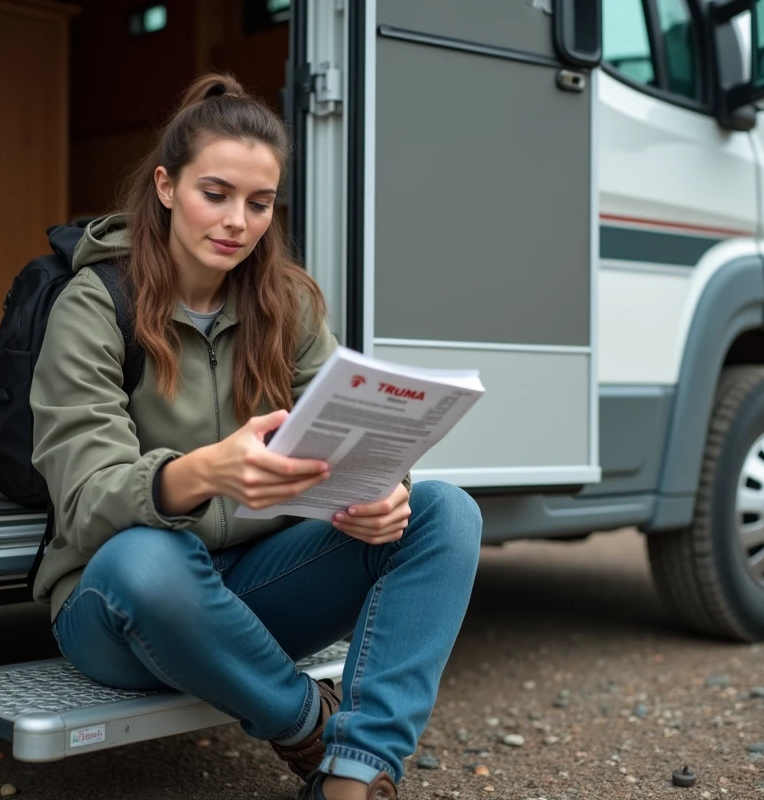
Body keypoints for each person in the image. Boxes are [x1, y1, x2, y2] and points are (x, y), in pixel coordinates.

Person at [29, 73, 484, 800]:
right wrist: (204, 472)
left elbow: (354, 441)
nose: (237, 221)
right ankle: (307, 727)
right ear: (167, 187)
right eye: (216, 193)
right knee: (149, 559)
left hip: (253, 589)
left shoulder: (289, 303)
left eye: (259, 203)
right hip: (117, 603)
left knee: (445, 512)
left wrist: (382, 495)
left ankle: (356, 776)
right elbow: (85, 501)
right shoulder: (94, 304)